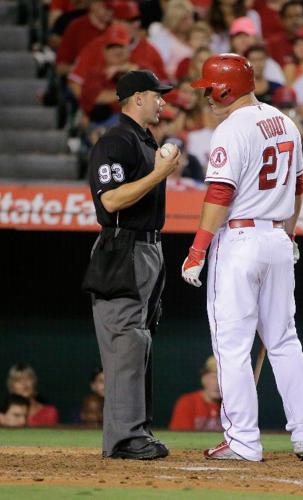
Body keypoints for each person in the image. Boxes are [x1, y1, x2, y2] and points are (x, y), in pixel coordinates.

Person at [181, 53, 303, 462]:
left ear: (227, 87)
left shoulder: (230, 129)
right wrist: (289, 235)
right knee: (284, 340)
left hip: (240, 241)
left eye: (210, 87)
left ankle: (243, 439)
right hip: (277, 237)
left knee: (232, 345)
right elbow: (298, 186)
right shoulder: (286, 122)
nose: (206, 95)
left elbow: (220, 195)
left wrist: (197, 249)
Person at [84, 70, 180, 460]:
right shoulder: (116, 139)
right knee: (127, 339)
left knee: (139, 340)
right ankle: (125, 438)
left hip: (148, 247)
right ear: (137, 98)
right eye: (157, 95)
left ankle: (136, 431)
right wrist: (159, 173)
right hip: (122, 246)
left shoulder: (142, 139)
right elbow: (109, 201)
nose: (163, 101)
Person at [169, 355, 222, 431]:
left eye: (223, 378)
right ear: (204, 378)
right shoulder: (187, 403)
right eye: (213, 377)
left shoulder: (234, 405)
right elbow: (179, 439)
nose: (218, 383)